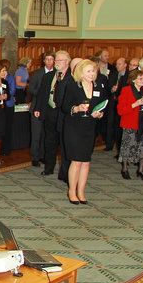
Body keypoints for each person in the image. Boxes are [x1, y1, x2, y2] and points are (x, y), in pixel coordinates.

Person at [61, 59, 105, 204]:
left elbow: (102, 106)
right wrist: (77, 108)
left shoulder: (98, 87)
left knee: (86, 161)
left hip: (89, 127)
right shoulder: (73, 86)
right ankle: (72, 191)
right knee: (76, 161)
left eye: (93, 71)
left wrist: (99, 114)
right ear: (81, 72)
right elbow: (65, 107)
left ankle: (81, 191)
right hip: (74, 127)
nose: (92, 74)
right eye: (89, 71)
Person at [32, 51, 70, 178]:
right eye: (56, 60)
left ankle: (65, 172)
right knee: (49, 141)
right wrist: (38, 108)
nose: (56, 62)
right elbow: (42, 93)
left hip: (64, 113)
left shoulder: (72, 76)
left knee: (64, 143)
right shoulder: (49, 76)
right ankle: (49, 167)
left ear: (67, 62)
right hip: (49, 112)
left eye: (59, 60)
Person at [116, 70, 143, 181]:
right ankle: (124, 169)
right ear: (133, 80)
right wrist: (135, 104)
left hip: (142, 124)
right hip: (129, 123)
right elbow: (120, 110)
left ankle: (141, 170)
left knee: (142, 148)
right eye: (140, 78)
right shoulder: (126, 90)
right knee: (127, 147)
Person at [27, 53, 54, 166]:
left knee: (46, 134)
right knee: (36, 134)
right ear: (44, 61)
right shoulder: (38, 73)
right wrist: (43, 93)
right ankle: (35, 157)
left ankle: (43, 155)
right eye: (47, 59)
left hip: (49, 108)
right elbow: (31, 89)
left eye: (51, 59)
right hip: (37, 106)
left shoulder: (56, 74)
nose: (49, 61)